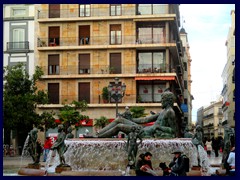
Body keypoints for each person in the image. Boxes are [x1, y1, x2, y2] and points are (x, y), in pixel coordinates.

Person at [97, 91, 176, 138]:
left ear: (168, 100)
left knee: (119, 126)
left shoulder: (170, 112)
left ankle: (99, 137)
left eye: (162, 99)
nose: (161, 101)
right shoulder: (162, 112)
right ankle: (99, 133)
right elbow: (145, 120)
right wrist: (131, 119)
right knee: (119, 119)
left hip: (144, 133)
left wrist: (159, 127)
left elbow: (173, 130)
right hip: (142, 129)